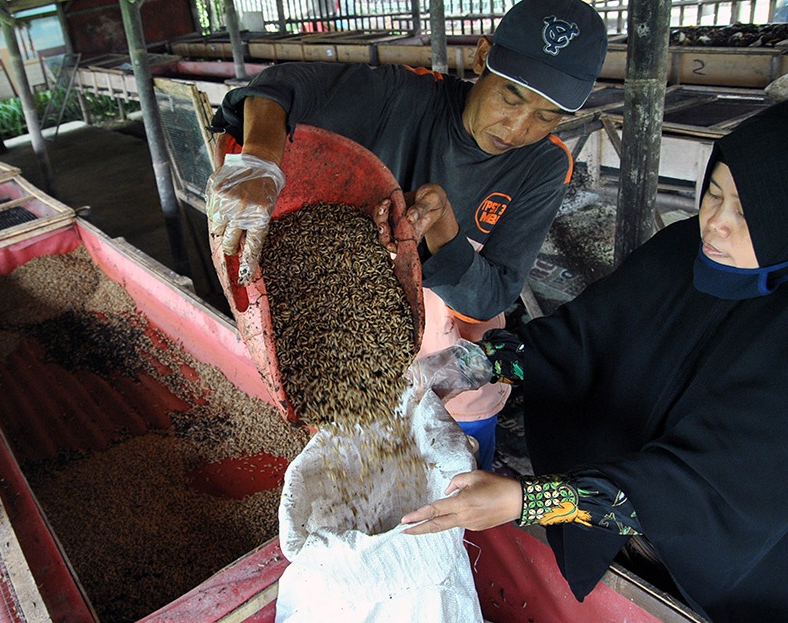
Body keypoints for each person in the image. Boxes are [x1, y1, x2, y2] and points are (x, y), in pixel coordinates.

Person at [400, 100, 788, 622]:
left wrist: (526, 503)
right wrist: (469, 364)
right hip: (605, 502)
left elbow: (699, 490)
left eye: (746, 213)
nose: (715, 223)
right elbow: (581, 339)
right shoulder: (681, 252)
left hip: (718, 562)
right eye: (713, 194)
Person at [206, 0, 609, 469]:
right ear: (482, 57)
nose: (518, 128)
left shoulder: (544, 164)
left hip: (459, 380)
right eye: (511, 97)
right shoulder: (410, 95)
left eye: (547, 116)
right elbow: (282, 87)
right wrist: (260, 158)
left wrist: (442, 229)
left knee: (457, 499)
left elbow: (494, 293)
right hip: (349, 361)